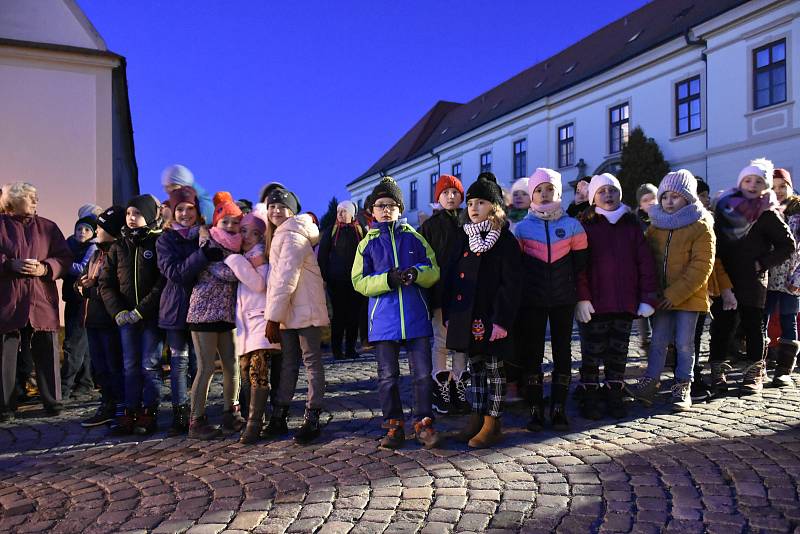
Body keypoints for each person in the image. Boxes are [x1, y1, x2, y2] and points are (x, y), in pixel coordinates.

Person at [352, 177, 443, 449]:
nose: (386, 209)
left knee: (423, 375)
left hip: (415, 317)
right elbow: (359, 281)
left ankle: (423, 422)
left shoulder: (415, 237)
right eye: (381, 205)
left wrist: (417, 274)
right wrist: (387, 280)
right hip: (383, 321)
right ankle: (393, 425)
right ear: (373, 210)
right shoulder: (366, 244)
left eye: (391, 205)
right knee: (387, 376)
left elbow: (434, 270)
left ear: (400, 209)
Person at [443, 173, 522, 448]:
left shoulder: (505, 241)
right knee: (474, 368)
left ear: (495, 207)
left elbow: (512, 284)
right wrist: (452, 313)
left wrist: (502, 320)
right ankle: (476, 416)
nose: (473, 207)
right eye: (471, 203)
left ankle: (493, 421)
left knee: (494, 368)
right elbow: (452, 277)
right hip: (467, 315)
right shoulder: (463, 238)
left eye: (481, 202)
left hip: (492, 316)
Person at [627, 170, 715, 411]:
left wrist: (673, 294)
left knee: (685, 343)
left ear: (688, 198)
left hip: (688, 297)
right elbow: (648, 259)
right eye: (665, 196)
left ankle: (682, 385)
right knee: (658, 341)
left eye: (675, 197)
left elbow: (701, 266)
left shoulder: (701, 225)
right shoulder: (656, 225)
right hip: (660, 297)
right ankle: (650, 382)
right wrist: (652, 292)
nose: (668, 201)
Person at [575, 174, 658, 419]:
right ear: (593, 198)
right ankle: (590, 393)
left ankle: (614, 392)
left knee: (618, 353)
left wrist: (647, 297)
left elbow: (645, 264)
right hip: (596, 304)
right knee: (592, 352)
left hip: (624, 303)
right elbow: (579, 266)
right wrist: (582, 297)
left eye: (612, 190)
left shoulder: (632, 226)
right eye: (602, 191)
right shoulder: (586, 226)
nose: (608, 195)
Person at [711, 159, 794, 395]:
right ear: (740, 183)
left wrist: (762, 263)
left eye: (758, 181)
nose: (752, 184)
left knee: (753, 326)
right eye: (748, 180)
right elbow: (715, 241)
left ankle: (754, 372)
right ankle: (718, 372)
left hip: (753, 280)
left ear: (765, 186)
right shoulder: (726, 208)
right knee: (722, 326)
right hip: (725, 277)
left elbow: (787, 245)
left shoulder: (767, 213)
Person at [514, 168, 588, 431]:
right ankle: (535, 409)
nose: (544, 195)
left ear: (558, 192)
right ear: (532, 195)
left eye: (549, 190)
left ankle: (558, 408)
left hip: (563, 300)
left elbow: (580, 266)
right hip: (532, 301)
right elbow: (516, 267)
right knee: (532, 353)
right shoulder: (521, 229)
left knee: (563, 352)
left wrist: (581, 297)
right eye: (539, 190)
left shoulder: (572, 226)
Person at [0, 182, 72, 421]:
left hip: (41, 298)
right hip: (9, 298)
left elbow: (64, 258)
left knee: (47, 351)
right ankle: (5, 406)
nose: (35, 202)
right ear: (15, 200)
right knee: (5, 354)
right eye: (30, 198)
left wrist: (45, 268)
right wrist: (10, 264)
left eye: (36, 197)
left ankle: (53, 402)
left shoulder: (48, 227)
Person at [264, 187, 330, 444]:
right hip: (290, 311)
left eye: (282, 206)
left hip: (304, 310)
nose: (276, 211)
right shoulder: (282, 234)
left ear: (292, 210)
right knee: (290, 363)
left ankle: (311, 416)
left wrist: (272, 318)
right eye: (272, 206)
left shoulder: (292, 234)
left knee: (310, 363)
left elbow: (285, 278)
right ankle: (280, 416)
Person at [99, 194, 165, 434]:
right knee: (130, 366)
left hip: (149, 317)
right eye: (129, 214)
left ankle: (150, 411)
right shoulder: (119, 246)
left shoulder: (158, 243)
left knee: (150, 364)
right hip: (125, 317)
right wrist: (118, 311)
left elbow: (161, 282)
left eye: (137, 214)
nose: (131, 218)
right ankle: (130, 410)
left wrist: (140, 310)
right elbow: (105, 283)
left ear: (148, 215)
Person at [186, 192, 245, 439]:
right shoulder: (208, 242)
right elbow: (224, 273)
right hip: (203, 315)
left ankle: (231, 413)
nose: (230, 226)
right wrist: (244, 266)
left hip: (227, 314)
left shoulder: (238, 245)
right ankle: (196, 420)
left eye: (235, 222)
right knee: (206, 368)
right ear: (216, 222)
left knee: (233, 366)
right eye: (225, 221)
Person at [156, 186, 212, 435]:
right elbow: (175, 273)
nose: (185, 213)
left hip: (202, 308)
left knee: (200, 364)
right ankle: (179, 413)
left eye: (190, 208)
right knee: (179, 363)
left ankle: (197, 412)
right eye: (180, 209)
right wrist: (202, 256)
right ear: (173, 211)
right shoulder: (166, 239)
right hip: (176, 309)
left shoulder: (204, 236)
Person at [225, 204, 280, 443]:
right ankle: (253, 418)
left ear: (260, 235)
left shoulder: (258, 256)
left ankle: (255, 423)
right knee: (246, 373)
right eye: (242, 230)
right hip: (245, 326)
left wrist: (235, 261)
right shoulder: (247, 256)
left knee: (258, 372)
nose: (245, 235)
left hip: (259, 322)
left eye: (251, 231)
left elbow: (259, 285)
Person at [418, 174, 469, 415]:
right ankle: (441, 387)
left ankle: (459, 384)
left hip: (466, 291)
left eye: (455, 192)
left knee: (462, 343)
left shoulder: (467, 219)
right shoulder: (430, 225)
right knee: (441, 341)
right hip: (440, 291)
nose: (451, 196)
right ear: (438, 197)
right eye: (446, 192)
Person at [78, 206, 126, 427]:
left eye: (101, 227)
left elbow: (116, 289)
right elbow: (88, 276)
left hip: (109, 319)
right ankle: (107, 402)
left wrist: (90, 290)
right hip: (93, 318)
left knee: (113, 365)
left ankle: (118, 406)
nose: (96, 231)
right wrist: (80, 282)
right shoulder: (97, 252)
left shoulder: (117, 251)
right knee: (100, 366)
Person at [765, 168, 800, 386]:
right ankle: (760, 365)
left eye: (782, 186)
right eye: (773, 186)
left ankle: (784, 369)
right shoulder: (765, 211)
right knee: (763, 321)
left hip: (790, 280)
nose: (778, 191)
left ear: (790, 186)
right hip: (768, 279)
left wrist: (797, 279)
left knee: (789, 320)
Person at [318, 200, 365, 360]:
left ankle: (351, 348)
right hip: (336, 283)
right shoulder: (331, 231)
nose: (340, 214)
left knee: (353, 317)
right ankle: (337, 350)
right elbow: (322, 256)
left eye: (344, 211)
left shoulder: (360, 231)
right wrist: (325, 277)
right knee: (338, 317)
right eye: (339, 211)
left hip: (356, 282)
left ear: (352, 214)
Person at [60, 213, 98, 400]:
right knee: (81, 344)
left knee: (74, 344)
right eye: (79, 228)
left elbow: (82, 268)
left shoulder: (93, 248)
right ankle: (84, 383)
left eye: (86, 229)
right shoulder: (69, 244)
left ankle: (64, 388)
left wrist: (62, 264)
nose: (82, 232)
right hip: (71, 298)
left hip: (83, 300)